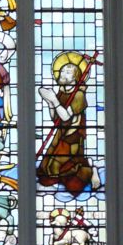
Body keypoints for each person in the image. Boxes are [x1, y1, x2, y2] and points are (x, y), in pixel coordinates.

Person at [37, 51, 100, 197]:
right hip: (61, 134)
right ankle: (86, 166)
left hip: (73, 137)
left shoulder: (79, 95)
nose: (62, 74)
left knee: (56, 167)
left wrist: (53, 99)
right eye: (62, 71)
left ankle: (91, 171)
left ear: (76, 77)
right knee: (45, 167)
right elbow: (56, 119)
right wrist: (50, 103)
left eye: (68, 72)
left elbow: (65, 117)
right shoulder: (61, 92)